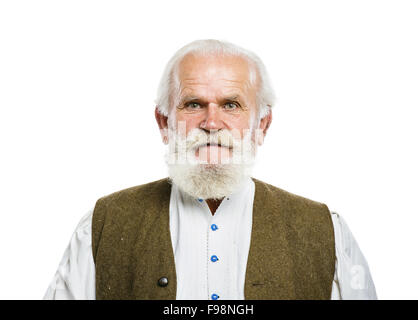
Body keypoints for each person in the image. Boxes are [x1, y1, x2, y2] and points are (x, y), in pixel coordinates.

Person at [44, 39, 377, 300]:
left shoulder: (325, 230)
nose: (212, 123)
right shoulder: (102, 225)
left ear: (262, 124)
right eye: (193, 104)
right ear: (164, 122)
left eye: (231, 104)